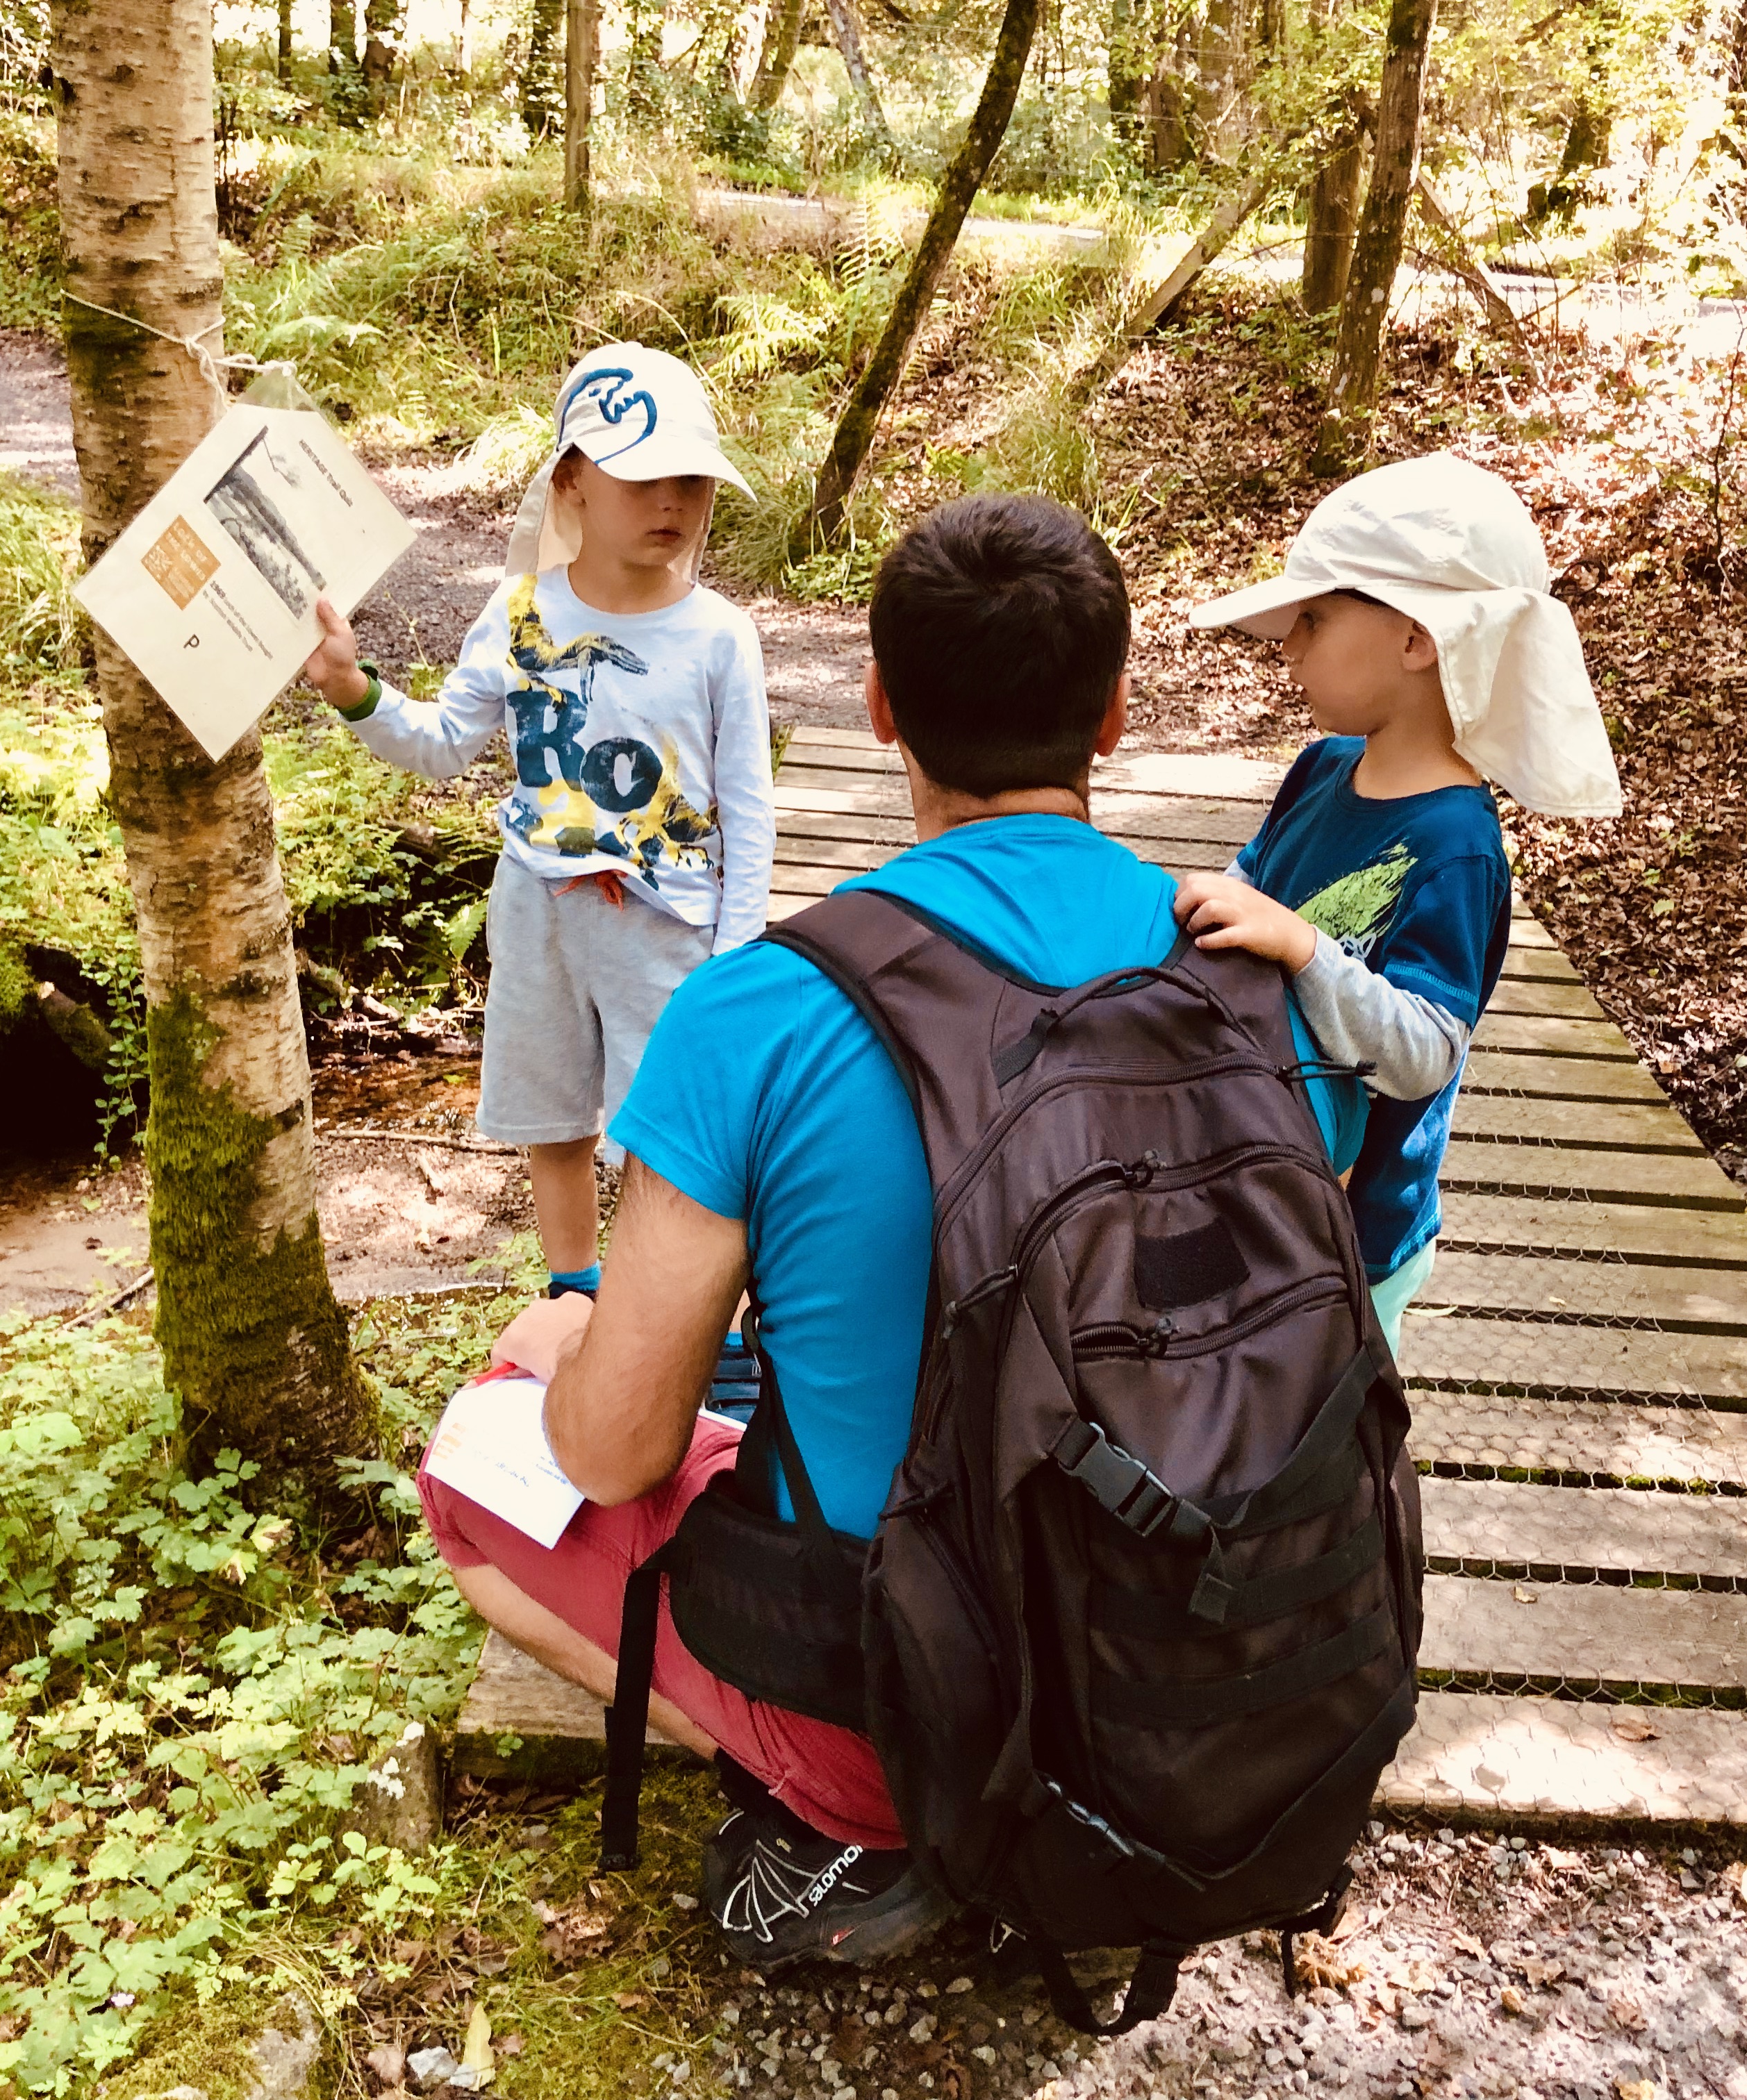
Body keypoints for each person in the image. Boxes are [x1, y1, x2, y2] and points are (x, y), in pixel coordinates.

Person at [415, 494, 1364, 1970]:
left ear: (877, 709)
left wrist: (570, 1333)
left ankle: (860, 1812)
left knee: (477, 1470)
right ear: (1114, 718)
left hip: (912, 1686)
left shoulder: (763, 1012)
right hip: (1200, 1659)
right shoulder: (1249, 969)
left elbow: (614, 1452)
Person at [299, 343, 773, 1304]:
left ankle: (683, 1317)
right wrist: (357, 692)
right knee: (552, 1115)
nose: (671, 503)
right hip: (538, 910)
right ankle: (575, 1296)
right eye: (641, 479)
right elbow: (440, 744)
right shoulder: (519, 612)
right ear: (572, 483)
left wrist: (739, 951)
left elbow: (749, 811)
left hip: (669, 922)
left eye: (689, 480)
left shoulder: (721, 635)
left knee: (674, 1130)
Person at [1175, 452, 1622, 1358]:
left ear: (1419, 638)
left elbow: (1424, 1049)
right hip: (1264, 1174)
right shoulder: (1323, 768)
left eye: (1314, 617)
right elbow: (1249, 885)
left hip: (1354, 1238)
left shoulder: (1457, 846)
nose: (1289, 644)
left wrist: (1303, 950)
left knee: (1321, 1433)